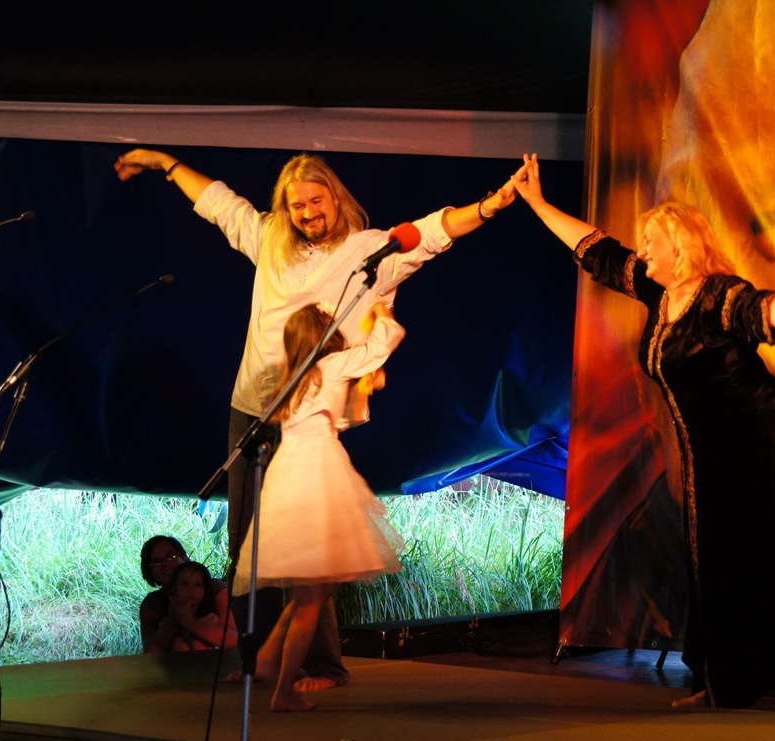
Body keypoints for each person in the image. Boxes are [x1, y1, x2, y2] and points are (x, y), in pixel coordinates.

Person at [114, 148, 517, 691]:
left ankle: (324, 665)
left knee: (307, 555)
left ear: (335, 196)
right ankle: (259, 662)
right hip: (252, 409)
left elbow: (432, 231)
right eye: (296, 204)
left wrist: (489, 207)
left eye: (315, 200)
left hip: (306, 423)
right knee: (249, 545)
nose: (307, 212)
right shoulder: (270, 240)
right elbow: (218, 203)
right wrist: (164, 162)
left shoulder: (366, 252)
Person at [512, 153, 775, 717]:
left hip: (761, 438)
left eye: (651, 242)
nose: (642, 251)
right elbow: (597, 251)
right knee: (708, 556)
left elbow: (758, 308)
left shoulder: (716, 294)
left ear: (679, 248)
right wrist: (537, 203)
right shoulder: (660, 296)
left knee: (768, 553)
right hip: (708, 450)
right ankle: (723, 680)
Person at [233, 300, 406, 711]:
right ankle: (284, 692)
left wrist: (364, 383)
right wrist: (382, 313)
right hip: (316, 473)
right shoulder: (332, 365)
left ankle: (268, 656)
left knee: (319, 584)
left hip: (288, 473)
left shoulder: (290, 378)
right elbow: (387, 340)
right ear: (322, 336)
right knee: (312, 597)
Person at [138, 535, 237, 654]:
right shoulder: (153, 603)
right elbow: (150, 653)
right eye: (156, 562)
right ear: (149, 571)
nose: (165, 564)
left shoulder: (215, 589)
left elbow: (233, 641)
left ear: (184, 557)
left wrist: (188, 622)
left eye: (170, 556)